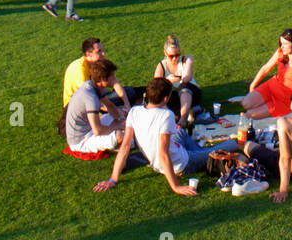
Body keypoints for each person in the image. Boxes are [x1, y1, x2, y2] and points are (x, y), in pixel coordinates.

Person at [94, 77, 236, 197]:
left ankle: (200, 151)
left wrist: (113, 179)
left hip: (164, 159)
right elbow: (163, 153)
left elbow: (125, 147)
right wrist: (176, 186)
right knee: (231, 144)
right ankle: (206, 152)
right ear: (166, 98)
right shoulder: (166, 115)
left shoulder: (134, 112)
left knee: (180, 132)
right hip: (182, 164)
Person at [64, 57, 128, 155]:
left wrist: (121, 117)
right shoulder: (90, 97)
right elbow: (97, 130)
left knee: (122, 113)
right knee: (121, 136)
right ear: (103, 79)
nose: (114, 79)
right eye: (112, 76)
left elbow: (110, 106)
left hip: (88, 128)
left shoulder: (93, 85)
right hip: (81, 140)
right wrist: (117, 125)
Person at [63, 38, 140, 111]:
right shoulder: (79, 69)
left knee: (129, 92)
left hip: (97, 98)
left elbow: (115, 82)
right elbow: (87, 97)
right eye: (99, 51)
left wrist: (127, 105)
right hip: (79, 105)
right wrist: (113, 110)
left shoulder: (98, 63)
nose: (103, 54)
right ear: (88, 54)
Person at [153, 35, 201, 131]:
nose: (175, 58)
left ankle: (183, 119)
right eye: (171, 56)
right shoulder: (161, 65)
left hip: (190, 93)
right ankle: (172, 118)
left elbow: (187, 78)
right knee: (160, 92)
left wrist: (190, 63)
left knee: (184, 86)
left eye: (177, 55)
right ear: (165, 53)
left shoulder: (185, 61)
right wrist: (168, 81)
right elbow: (156, 85)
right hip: (173, 97)